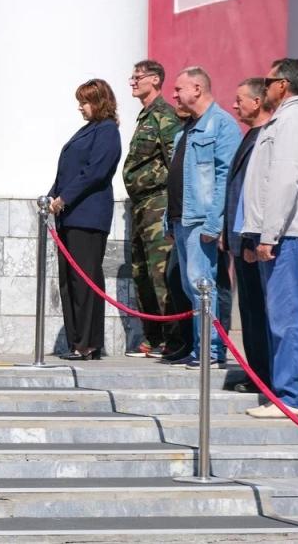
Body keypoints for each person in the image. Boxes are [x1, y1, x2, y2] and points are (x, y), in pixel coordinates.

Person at [242, 58, 298, 418]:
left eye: (268, 80)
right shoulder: (283, 120)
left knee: (283, 317)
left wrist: (269, 235)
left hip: (284, 235)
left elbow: (284, 181)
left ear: (283, 85)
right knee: (276, 315)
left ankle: (289, 396)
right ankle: (280, 391)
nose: (265, 85)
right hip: (275, 233)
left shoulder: (291, 121)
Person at [165, 66, 241, 369]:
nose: (174, 95)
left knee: (202, 286)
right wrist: (169, 221)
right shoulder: (185, 129)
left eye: (179, 88)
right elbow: (176, 178)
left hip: (201, 221)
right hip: (182, 220)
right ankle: (199, 348)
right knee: (189, 287)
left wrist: (214, 222)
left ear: (197, 88)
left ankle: (210, 351)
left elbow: (225, 177)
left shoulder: (222, 125)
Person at [48, 79, 122, 361]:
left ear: (100, 102)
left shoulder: (106, 132)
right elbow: (67, 171)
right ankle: (76, 340)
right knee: (69, 281)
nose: (81, 107)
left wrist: (64, 198)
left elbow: (94, 172)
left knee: (84, 280)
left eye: (86, 101)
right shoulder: (88, 130)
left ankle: (87, 343)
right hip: (70, 216)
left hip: (87, 216)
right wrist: (51, 196)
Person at [122, 60, 183, 359]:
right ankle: (153, 338)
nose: (132, 82)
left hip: (158, 203)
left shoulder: (164, 116)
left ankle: (172, 341)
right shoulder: (145, 117)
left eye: (138, 77)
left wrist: (172, 208)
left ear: (155, 80)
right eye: (132, 77)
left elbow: (175, 164)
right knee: (141, 271)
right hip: (141, 206)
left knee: (160, 274)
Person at [223, 78, 273, 393]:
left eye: (240, 99)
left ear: (257, 102)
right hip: (241, 238)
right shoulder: (250, 136)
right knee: (250, 312)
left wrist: (255, 239)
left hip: (254, 240)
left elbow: (262, 193)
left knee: (260, 312)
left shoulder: (267, 138)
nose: (235, 104)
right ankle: (255, 373)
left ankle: (265, 377)